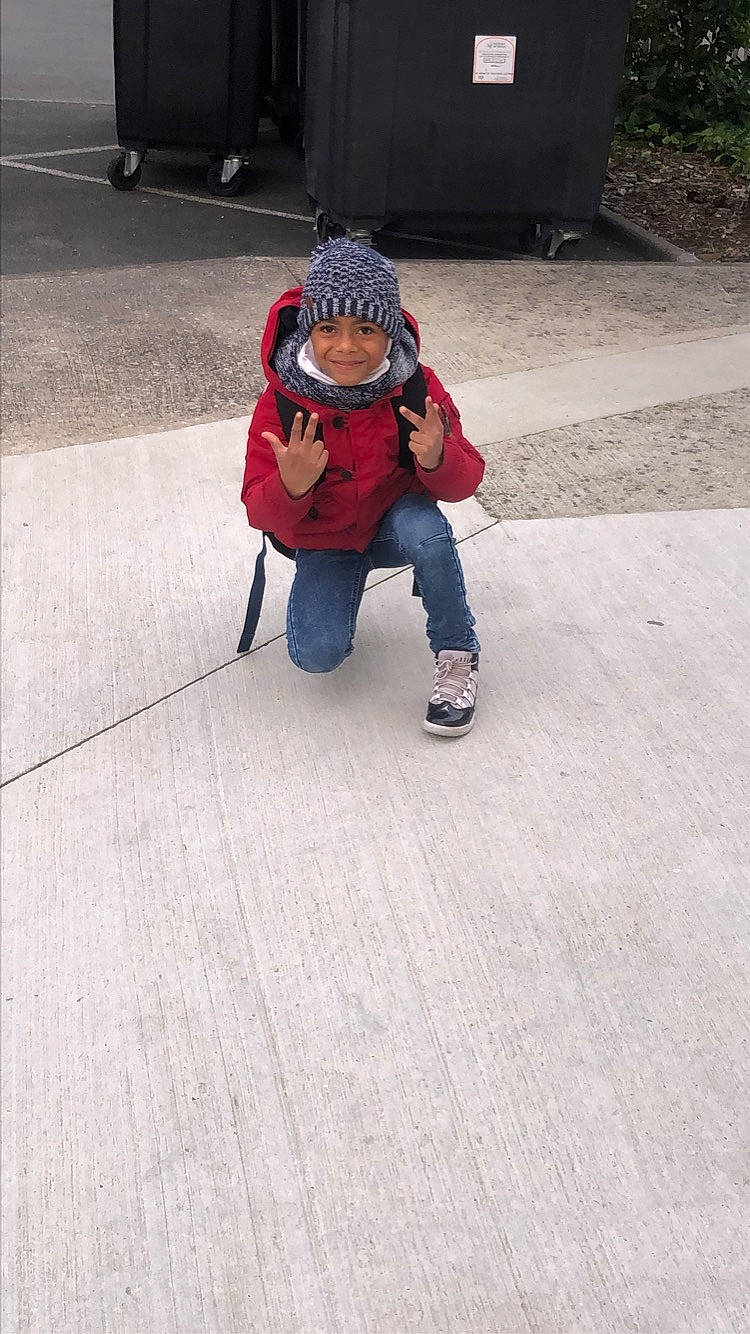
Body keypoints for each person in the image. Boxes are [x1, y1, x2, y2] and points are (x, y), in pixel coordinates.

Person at [241, 238, 485, 737]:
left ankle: (458, 650)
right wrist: (291, 486)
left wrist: (438, 457)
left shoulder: (416, 385)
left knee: (429, 532)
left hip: (394, 522)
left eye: (366, 329)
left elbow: (465, 482)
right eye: (329, 328)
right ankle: (340, 597)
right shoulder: (283, 401)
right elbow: (259, 512)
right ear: (310, 331)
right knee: (316, 656)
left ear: (389, 333)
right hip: (326, 539)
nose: (347, 347)